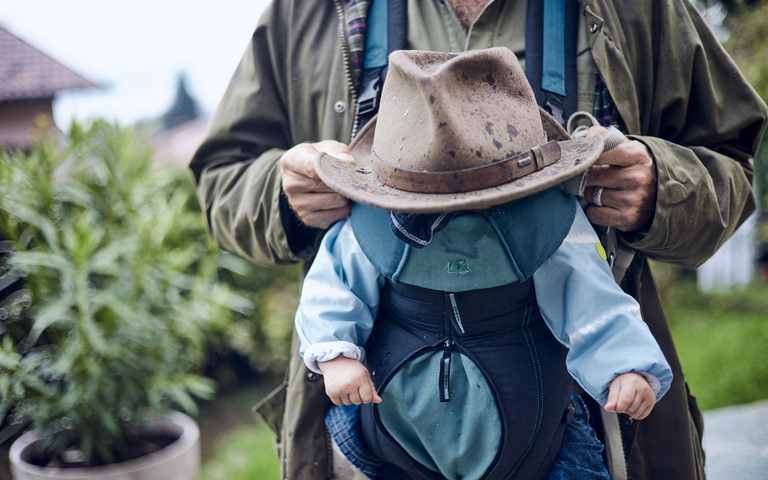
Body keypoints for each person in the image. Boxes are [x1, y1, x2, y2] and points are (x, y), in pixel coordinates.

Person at [189, 1, 767, 478]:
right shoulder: (308, 11)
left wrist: (664, 187)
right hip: (380, 438)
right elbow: (222, 183)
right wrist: (281, 195)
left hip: (580, 432)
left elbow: (732, 165)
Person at [295, 47, 673, 480]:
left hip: (533, 438)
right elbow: (333, 284)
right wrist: (336, 355)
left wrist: (625, 367)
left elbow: (591, 297)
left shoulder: (543, 222)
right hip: (398, 434)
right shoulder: (375, 224)